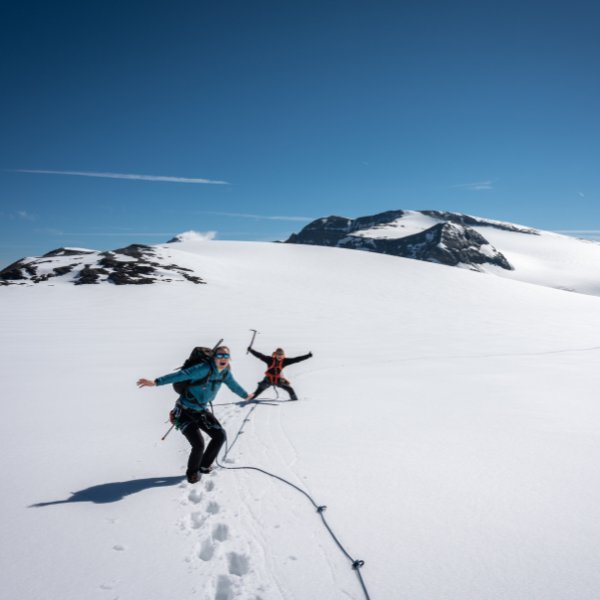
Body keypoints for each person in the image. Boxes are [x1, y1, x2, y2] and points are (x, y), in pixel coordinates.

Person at [137, 346, 253, 484]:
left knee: (220, 435)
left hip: (201, 411)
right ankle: (192, 473)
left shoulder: (225, 373)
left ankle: (204, 466)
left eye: (226, 356)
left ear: (230, 359)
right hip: (184, 412)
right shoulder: (203, 369)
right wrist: (156, 382)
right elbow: (181, 375)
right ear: (214, 357)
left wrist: (245, 395)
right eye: (220, 356)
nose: (223, 359)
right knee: (198, 444)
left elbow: (234, 385)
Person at [248, 346, 312, 400]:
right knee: (256, 392)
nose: (280, 356)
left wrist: (308, 356)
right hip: (268, 380)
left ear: (283, 355)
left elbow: (296, 359)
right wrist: (251, 350)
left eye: (281, 355)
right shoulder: (269, 359)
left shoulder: (285, 361)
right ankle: (248, 399)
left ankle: (295, 401)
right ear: (275, 354)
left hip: (278, 380)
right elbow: (260, 355)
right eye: (278, 354)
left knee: (290, 389)